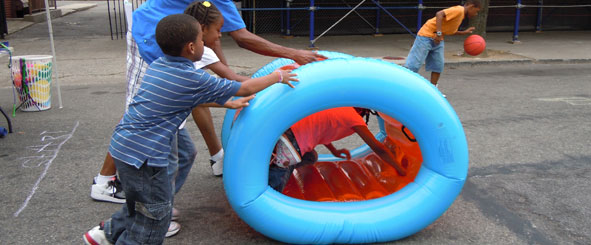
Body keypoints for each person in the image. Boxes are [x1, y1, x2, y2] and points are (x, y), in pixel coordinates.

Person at [83, 14, 298, 245]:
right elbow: (244, 88)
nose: (205, 44)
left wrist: (227, 103)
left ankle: (106, 234)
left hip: (125, 149)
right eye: (202, 41)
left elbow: (187, 97)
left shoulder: (160, 65)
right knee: (153, 222)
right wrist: (278, 76)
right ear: (191, 46)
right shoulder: (191, 77)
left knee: (141, 205)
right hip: (146, 159)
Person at [90, 0, 326, 205]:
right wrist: (278, 76)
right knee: (165, 169)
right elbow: (237, 79)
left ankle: (159, 203)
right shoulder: (186, 74)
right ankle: (136, 202)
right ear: (198, 38)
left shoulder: (176, 61)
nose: (221, 35)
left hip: (139, 137)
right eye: (218, 31)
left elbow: (215, 85)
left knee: (184, 155)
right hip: (142, 146)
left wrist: (227, 102)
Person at [268, 107, 407, 192]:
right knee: (277, 179)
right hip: (292, 143)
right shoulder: (353, 117)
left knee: (311, 157)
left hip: (287, 132)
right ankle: (268, 192)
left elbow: (321, 128)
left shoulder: (339, 108)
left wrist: (334, 151)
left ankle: (274, 162)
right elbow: (378, 148)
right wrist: (399, 169)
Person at [404, 0, 481, 93]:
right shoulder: (459, 10)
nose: (476, 14)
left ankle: (433, 90)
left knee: (438, 65)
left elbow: (450, 30)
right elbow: (439, 14)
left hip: (438, 39)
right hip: (426, 36)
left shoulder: (461, 16)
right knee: (413, 65)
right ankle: (402, 86)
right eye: (476, 11)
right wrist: (439, 33)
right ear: (471, 6)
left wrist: (463, 32)